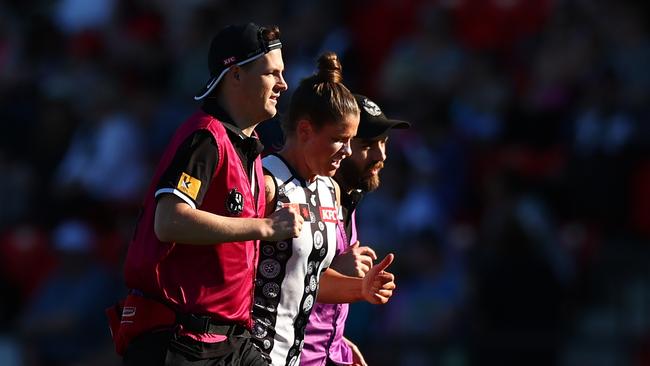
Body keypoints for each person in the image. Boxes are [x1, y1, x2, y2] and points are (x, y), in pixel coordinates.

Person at [110, 23, 304, 366]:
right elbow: (169, 221)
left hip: (230, 342)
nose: (283, 84)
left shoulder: (249, 152)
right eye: (271, 73)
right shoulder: (206, 137)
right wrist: (266, 227)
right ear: (235, 76)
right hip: (181, 342)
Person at [251, 52, 397, 366]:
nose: (347, 152)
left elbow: (308, 279)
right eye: (339, 140)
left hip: (298, 357)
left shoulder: (329, 189)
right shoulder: (265, 182)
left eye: (351, 141)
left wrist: (361, 289)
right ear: (304, 131)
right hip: (252, 354)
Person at [300, 94, 410, 366]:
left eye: (384, 143)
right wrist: (334, 269)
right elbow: (268, 280)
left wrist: (337, 341)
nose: (381, 155)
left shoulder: (348, 199)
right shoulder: (301, 196)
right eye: (368, 145)